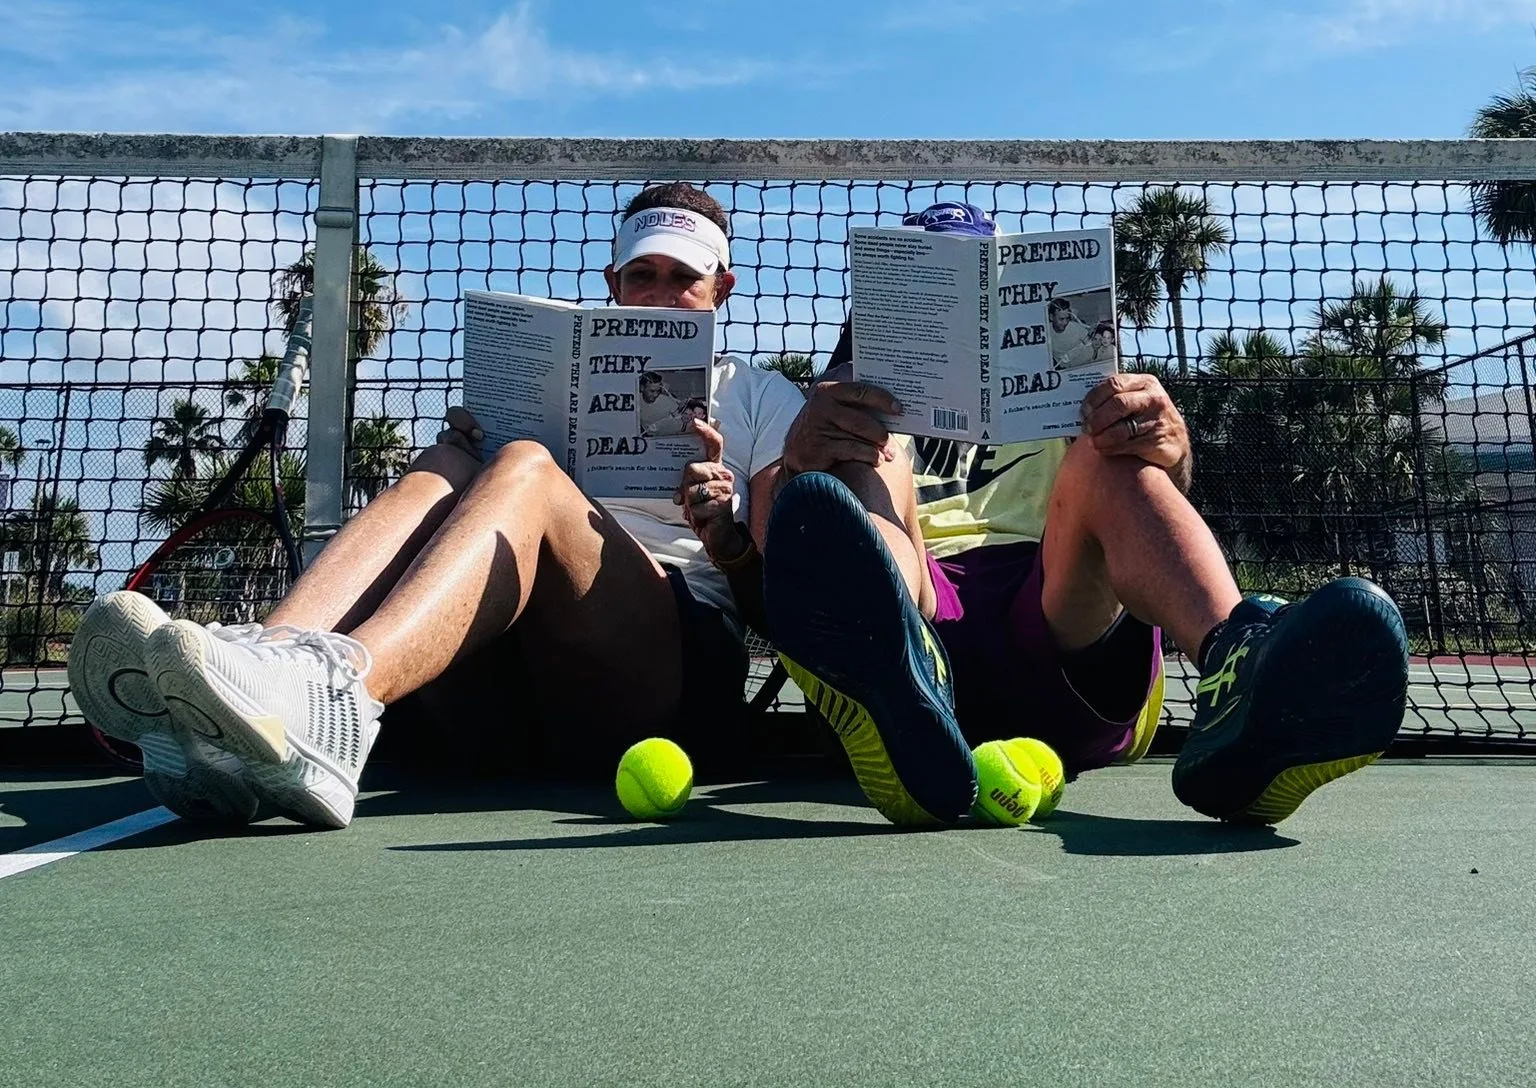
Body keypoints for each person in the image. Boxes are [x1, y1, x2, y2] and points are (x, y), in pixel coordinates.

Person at [68, 183, 804, 830]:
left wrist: (728, 536)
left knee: (524, 464)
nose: (658, 294)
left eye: (683, 278)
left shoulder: (765, 397)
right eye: (641, 275)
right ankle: (262, 677)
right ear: (612, 280)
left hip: (661, 679)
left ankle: (339, 697)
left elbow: (786, 613)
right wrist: (457, 452)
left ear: (723, 288)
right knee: (449, 460)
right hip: (506, 695)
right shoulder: (567, 371)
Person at [758, 200, 1410, 831]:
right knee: (853, 461)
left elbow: (1141, 511)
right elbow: (783, 539)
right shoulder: (834, 407)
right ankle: (890, 670)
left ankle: (1240, 673)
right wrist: (800, 464)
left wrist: (1169, 449)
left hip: (1053, 609)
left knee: (1108, 455)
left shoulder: (1068, 381)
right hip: (918, 610)